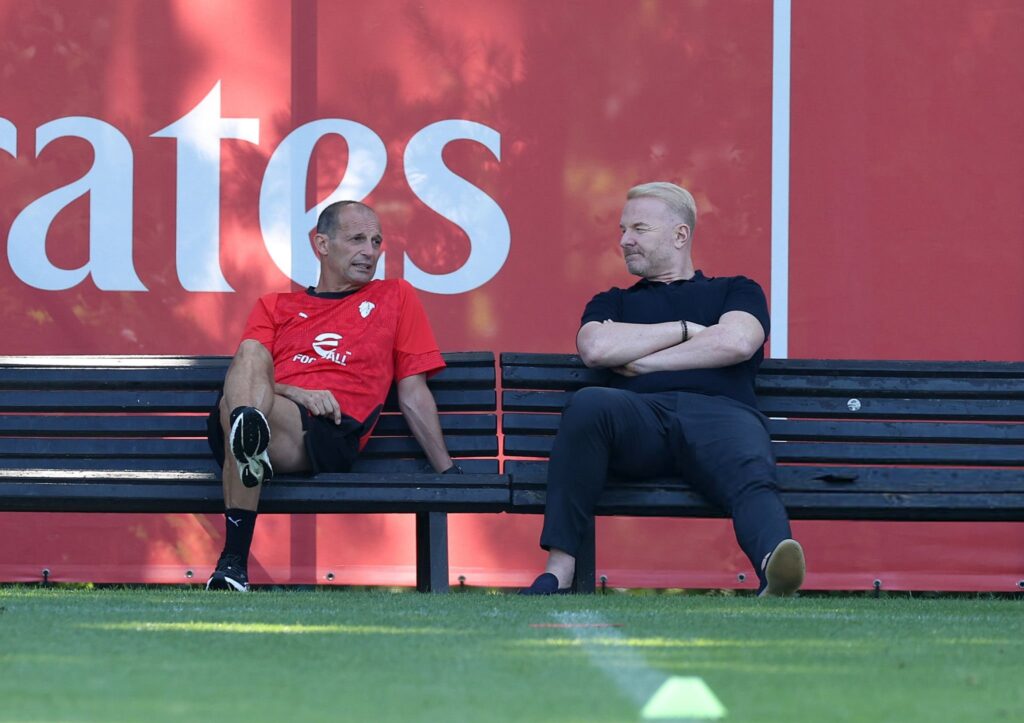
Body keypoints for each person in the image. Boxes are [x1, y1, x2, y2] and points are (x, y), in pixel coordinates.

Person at [520, 182, 805, 597]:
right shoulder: (612, 302)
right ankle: (558, 572)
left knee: (749, 463)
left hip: (719, 415)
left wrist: (644, 361)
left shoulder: (736, 289)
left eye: (639, 228)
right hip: (639, 421)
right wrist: (686, 329)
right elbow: (596, 348)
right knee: (588, 403)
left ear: (679, 235)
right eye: (623, 230)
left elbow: (738, 341)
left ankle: (773, 566)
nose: (625, 240)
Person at [205, 200, 461, 591]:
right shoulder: (275, 306)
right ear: (322, 244)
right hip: (267, 412)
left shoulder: (396, 296)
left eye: (376, 242)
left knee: (238, 415)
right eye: (357, 239)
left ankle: (233, 559)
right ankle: (248, 442)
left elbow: (413, 392)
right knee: (250, 356)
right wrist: (296, 391)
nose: (370, 251)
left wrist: (448, 472)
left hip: (327, 430)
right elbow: (245, 374)